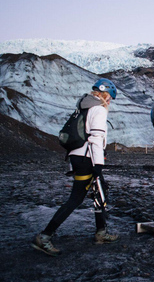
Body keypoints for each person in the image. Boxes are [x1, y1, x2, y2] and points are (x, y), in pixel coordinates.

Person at [31, 78, 119, 256]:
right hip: (87, 158)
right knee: (76, 198)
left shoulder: (83, 107)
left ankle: (101, 232)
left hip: (77, 156)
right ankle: (45, 236)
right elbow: (95, 137)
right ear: (104, 95)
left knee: (99, 191)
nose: (109, 101)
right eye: (109, 97)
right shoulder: (98, 109)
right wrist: (98, 165)